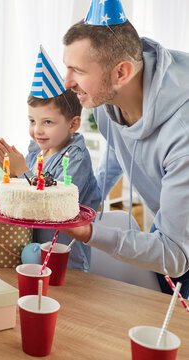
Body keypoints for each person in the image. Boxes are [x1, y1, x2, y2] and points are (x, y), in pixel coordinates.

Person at [60, 1, 189, 297]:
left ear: (122, 73)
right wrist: (86, 204)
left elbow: (175, 256)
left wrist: (90, 232)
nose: (68, 82)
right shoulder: (106, 106)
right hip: (169, 229)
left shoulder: (182, 138)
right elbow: (119, 152)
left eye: (77, 70)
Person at [0, 46, 101, 272]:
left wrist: (22, 171)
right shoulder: (37, 150)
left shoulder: (75, 158)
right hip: (35, 254)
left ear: (72, 124)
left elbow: (55, 203)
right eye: (32, 121)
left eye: (47, 122)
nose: (37, 130)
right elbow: (27, 196)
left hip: (66, 261)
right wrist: (12, 172)